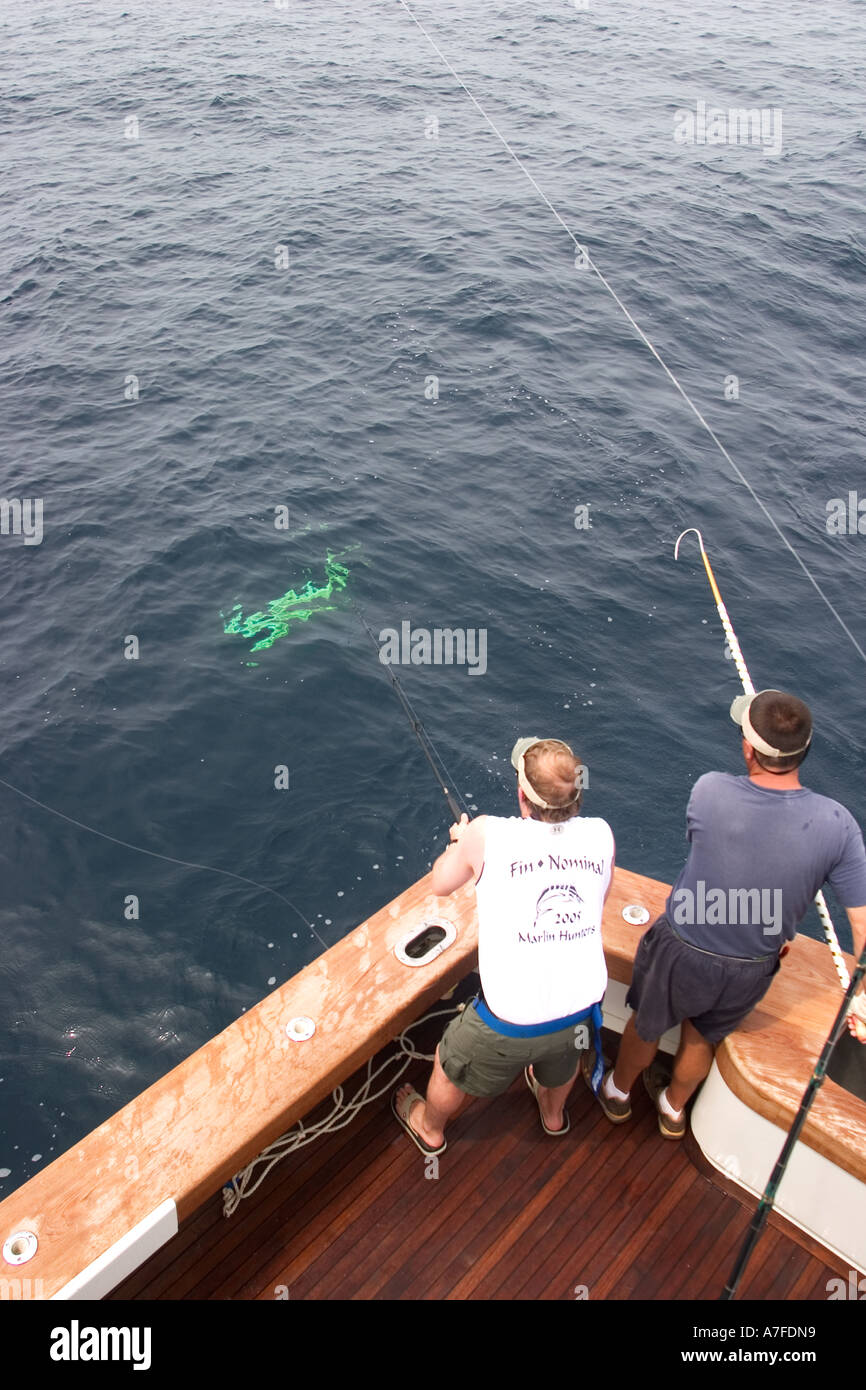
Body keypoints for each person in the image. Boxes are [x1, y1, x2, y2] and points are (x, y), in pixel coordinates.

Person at [591, 689, 866, 1140]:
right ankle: (673, 1109)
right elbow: (861, 927)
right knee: (701, 1038)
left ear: (748, 748)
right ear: (805, 750)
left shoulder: (710, 790)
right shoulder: (839, 825)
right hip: (751, 968)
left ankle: (618, 1094)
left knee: (646, 1024)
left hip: (680, 949)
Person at [392, 737, 615, 1155]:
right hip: (581, 1012)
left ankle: (430, 1128)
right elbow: (595, 904)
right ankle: (552, 1116)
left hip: (506, 1023)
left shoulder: (484, 834)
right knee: (561, 1060)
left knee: (448, 1061)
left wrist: (461, 844)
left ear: (521, 795)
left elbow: (441, 884)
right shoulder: (601, 834)